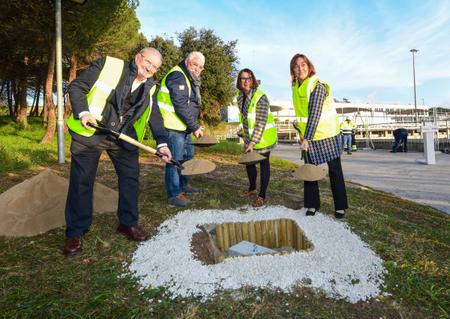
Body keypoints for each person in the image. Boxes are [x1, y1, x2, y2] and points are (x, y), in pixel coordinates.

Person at [63, 48, 172, 256]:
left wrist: (162, 144)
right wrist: (84, 113)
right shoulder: (109, 65)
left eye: (155, 67)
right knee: (82, 181)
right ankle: (76, 232)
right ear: (138, 56)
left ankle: (127, 224)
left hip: (123, 138)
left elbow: (155, 116)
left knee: (131, 179)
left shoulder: (151, 87)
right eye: (148, 62)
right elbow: (77, 86)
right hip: (92, 132)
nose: (150, 68)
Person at [290, 53, 348, 218]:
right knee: (309, 171)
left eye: (303, 65)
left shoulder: (317, 86)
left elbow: (314, 114)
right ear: (292, 70)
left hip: (328, 135)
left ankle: (340, 206)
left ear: (309, 67)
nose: (300, 68)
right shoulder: (295, 87)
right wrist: (300, 130)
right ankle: (312, 204)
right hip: (309, 136)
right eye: (296, 66)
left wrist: (306, 138)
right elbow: (303, 114)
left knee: (335, 171)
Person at [157, 52, 205, 207]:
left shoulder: (189, 77)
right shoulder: (178, 75)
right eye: (195, 64)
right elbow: (180, 104)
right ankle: (174, 194)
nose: (197, 69)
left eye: (200, 67)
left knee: (187, 156)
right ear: (187, 61)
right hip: (173, 126)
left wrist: (193, 125)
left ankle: (184, 185)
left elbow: (189, 105)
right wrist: (195, 126)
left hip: (182, 126)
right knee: (174, 160)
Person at [236, 68, 277, 207]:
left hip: (264, 138)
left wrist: (252, 142)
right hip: (249, 139)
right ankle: (252, 188)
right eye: (243, 78)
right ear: (239, 81)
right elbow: (245, 118)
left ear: (253, 80)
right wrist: (243, 133)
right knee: (249, 163)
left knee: (264, 165)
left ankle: (262, 195)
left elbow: (260, 121)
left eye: (248, 78)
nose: (246, 81)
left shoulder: (261, 97)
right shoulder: (240, 96)